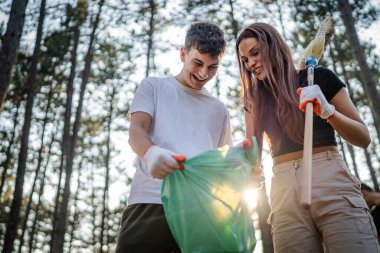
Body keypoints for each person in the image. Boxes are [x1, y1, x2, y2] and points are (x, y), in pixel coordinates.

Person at [235, 22, 379, 253]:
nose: (250, 63)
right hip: (283, 189)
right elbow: (253, 159)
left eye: (255, 53)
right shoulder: (254, 99)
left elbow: (363, 138)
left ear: (273, 48)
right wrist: (244, 164)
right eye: (245, 60)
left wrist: (328, 111)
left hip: (330, 179)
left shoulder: (319, 78)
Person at [115, 22, 233, 253]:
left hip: (198, 214)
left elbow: (223, 164)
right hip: (149, 202)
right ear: (183, 53)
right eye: (197, 62)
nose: (203, 73)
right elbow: (136, 131)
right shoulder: (154, 87)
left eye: (212, 67)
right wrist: (150, 153)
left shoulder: (219, 110)